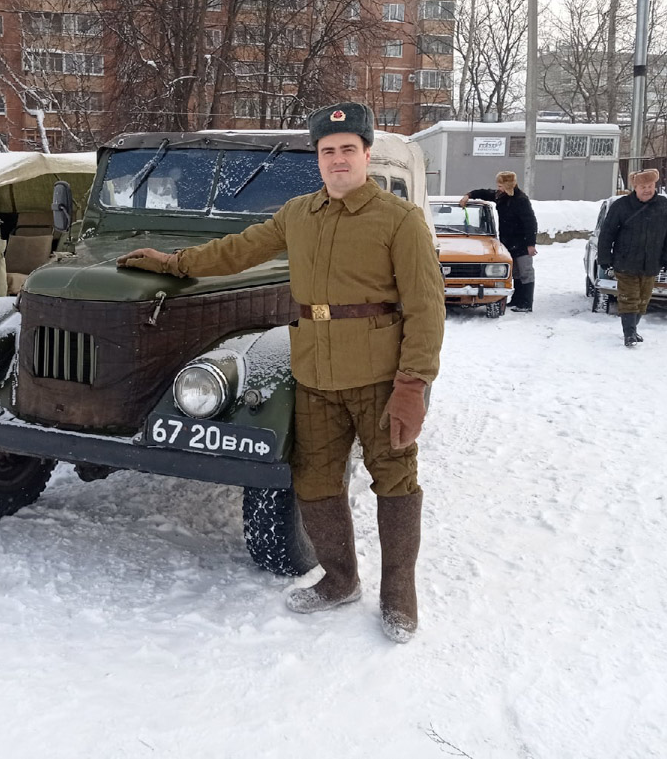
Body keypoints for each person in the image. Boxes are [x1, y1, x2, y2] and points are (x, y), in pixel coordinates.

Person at [117, 102, 445, 644]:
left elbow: (426, 308)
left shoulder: (399, 220)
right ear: (317, 158)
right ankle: (340, 580)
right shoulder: (298, 214)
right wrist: (173, 264)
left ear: (366, 154)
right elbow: (236, 251)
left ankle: (399, 594)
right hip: (314, 376)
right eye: (327, 151)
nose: (337, 160)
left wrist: (413, 385)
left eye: (347, 150)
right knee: (314, 482)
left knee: (395, 481)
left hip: (379, 378)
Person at [595, 168, 667, 347]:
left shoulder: (665, 206)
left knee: (643, 300)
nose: (647, 190)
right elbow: (607, 233)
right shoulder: (621, 206)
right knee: (629, 298)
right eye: (643, 186)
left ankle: (633, 328)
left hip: (651, 262)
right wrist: (604, 257)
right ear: (635, 187)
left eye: (650, 186)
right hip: (625, 261)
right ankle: (629, 333)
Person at [459, 171, 538, 312]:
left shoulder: (521, 200)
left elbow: (531, 223)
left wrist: (531, 245)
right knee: (516, 273)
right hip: (508, 242)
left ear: (509, 185)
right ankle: (517, 300)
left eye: (501, 185)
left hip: (522, 242)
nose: (498, 188)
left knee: (526, 272)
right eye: (498, 185)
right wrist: (469, 195)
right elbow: (484, 193)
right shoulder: (500, 196)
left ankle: (526, 303)